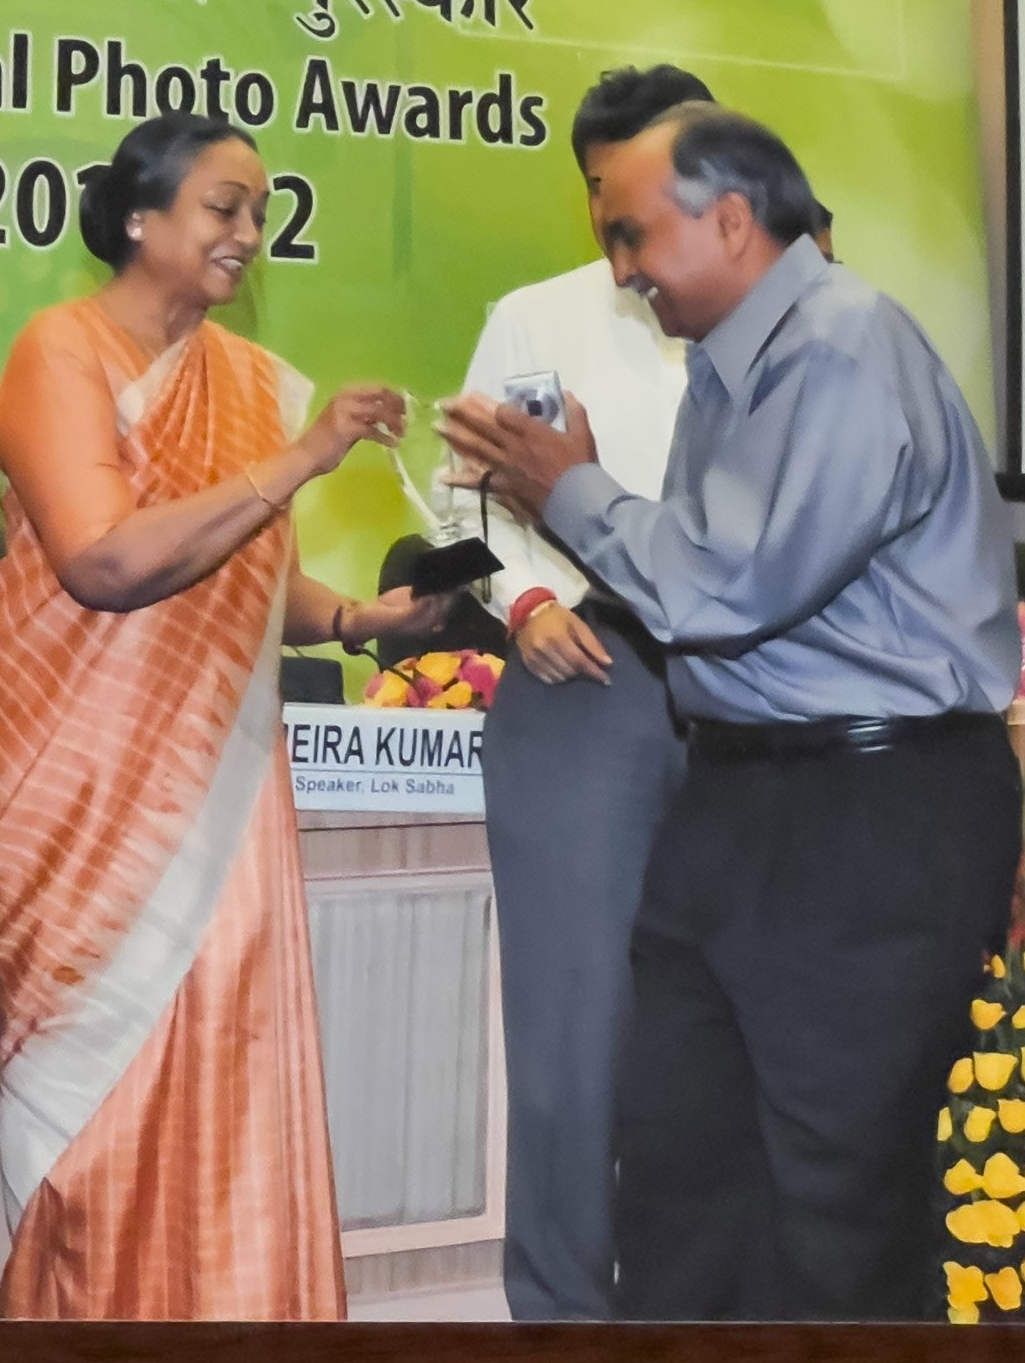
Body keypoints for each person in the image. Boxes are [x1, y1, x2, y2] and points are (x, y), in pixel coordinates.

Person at [440, 103, 1020, 1322]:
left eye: (634, 236)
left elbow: (732, 584)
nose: (621, 270)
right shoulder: (729, 362)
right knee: (685, 1177)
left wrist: (572, 490)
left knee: (835, 1199)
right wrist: (573, 502)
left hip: (868, 808)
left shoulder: (842, 345)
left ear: (734, 219)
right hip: (741, 795)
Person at [0, 111, 449, 1319]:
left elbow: (247, 574)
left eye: (258, 213)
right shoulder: (58, 349)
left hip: (218, 796)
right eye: (223, 207)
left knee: (225, 1058)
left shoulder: (240, 381)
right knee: (91, 1098)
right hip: (74, 795)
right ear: (138, 217)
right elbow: (107, 563)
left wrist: (360, 622)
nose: (247, 234)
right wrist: (304, 458)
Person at [446, 64, 704, 1321]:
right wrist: (524, 605)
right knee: (570, 1041)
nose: (627, 230)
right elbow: (457, 512)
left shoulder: (762, 325)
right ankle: (559, 1312)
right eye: (607, 197)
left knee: (718, 1027)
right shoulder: (535, 317)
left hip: (747, 700)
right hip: (585, 681)